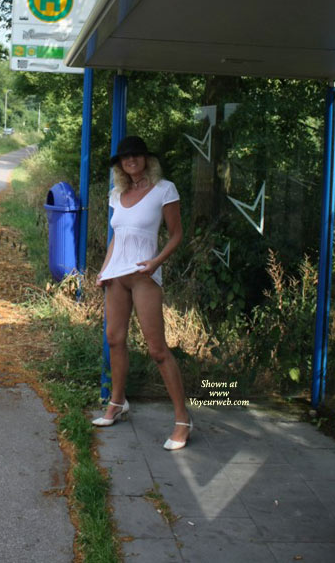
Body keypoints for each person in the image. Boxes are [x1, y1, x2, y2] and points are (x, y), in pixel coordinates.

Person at [93, 135, 191, 450]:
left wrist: (156, 261)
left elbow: (176, 235)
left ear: (146, 159)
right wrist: (103, 269)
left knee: (157, 349)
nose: (131, 160)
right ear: (120, 164)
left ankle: (182, 420)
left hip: (144, 274)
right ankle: (117, 403)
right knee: (114, 340)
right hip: (116, 276)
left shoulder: (165, 189)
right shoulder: (116, 193)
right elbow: (116, 237)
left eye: (136, 155)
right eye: (125, 157)